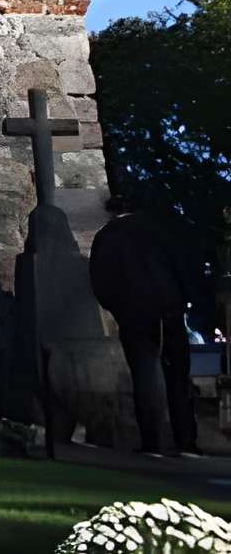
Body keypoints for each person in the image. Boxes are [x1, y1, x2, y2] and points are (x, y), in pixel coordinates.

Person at [90, 189, 201, 456]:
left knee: (144, 375)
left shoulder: (106, 236)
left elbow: (100, 282)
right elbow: (183, 266)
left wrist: (118, 308)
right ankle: (185, 439)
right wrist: (185, 299)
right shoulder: (160, 229)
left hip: (134, 313)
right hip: (169, 310)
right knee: (177, 377)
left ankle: (153, 440)